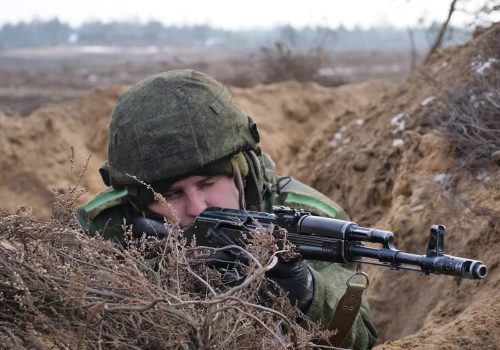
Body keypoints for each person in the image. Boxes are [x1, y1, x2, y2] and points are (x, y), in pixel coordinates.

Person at [77, 69, 378, 349]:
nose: (196, 207)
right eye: (171, 194)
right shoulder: (103, 224)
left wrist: (309, 292)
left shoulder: (309, 219)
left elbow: (361, 340)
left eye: (207, 184)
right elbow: (69, 316)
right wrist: (162, 278)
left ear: (240, 172)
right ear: (140, 201)